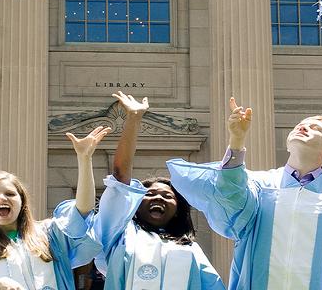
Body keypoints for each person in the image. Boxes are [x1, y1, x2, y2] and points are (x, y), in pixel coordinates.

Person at [167, 97, 322, 289]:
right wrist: (237, 139)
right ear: (288, 144)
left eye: (315, 128)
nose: (302, 127)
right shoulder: (258, 184)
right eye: (299, 125)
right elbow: (230, 196)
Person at [91, 92, 225, 289]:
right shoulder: (119, 236)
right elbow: (121, 177)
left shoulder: (190, 249)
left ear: (178, 209)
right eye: (150, 194)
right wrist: (134, 119)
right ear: (135, 205)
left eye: (167, 196)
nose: (159, 198)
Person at [0, 126, 109, 290]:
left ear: (22, 201)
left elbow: (83, 209)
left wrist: (84, 158)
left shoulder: (50, 235)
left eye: (10, 193)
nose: (1, 198)